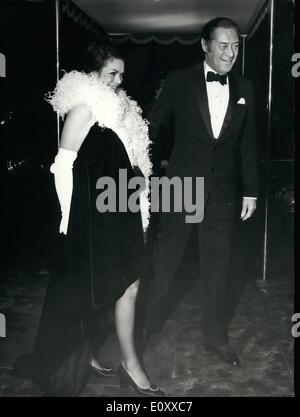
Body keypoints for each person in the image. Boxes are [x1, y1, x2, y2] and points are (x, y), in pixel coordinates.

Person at [33, 43, 164, 397]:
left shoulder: (121, 109)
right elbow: (62, 167)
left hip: (123, 209)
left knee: (128, 285)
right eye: (112, 73)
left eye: (122, 74)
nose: (119, 81)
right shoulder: (84, 108)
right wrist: (64, 221)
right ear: (92, 74)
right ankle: (126, 363)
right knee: (113, 287)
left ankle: (122, 361)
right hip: (93, 220)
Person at [144, 17, 259, 367]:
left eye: (236, 45)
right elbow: (152, 125)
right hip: (180, 187)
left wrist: (250, 192)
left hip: (223, 193)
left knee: (218, 269)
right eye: (223, 45)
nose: (231, 53)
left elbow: (248, 143)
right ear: (205, 46)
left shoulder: (244, 87)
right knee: (165, 262)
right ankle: (143, 328)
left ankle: (216, 339)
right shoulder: (180, 80)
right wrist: (145, 173)